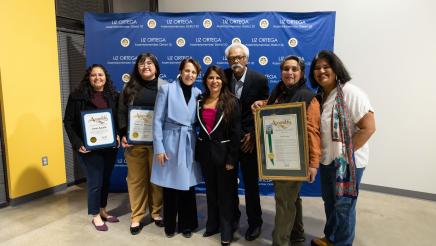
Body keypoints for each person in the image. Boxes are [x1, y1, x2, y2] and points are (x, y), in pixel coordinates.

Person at [251, 56, 321, 246]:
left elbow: (313, 132)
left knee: (284, 203)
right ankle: (297, 234)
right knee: (292, 199)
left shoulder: (308, 97)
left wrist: (314, 163)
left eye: (294, 69)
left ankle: (280, 242)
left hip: (295, 158)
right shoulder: (279, 92)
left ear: (301, 72)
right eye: (286, 69)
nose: (290, 72)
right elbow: (275, 113)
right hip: (278, 156)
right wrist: (262, 104)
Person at [309, 50, 376, 246]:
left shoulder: (350, 93)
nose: (321, 71)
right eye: (317, 68)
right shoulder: (321, 97)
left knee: (344, 207)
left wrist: (345, 155)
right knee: (330, 203)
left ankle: (343, 243)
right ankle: (330, 238)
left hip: (347, 163)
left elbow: (368, 127)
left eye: (325, 67)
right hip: (327, 160)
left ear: (336, 69)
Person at [63, 64, 120, 231]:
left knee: (105, 180)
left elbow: (117, 119)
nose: (97, 78)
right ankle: (95, 215)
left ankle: (103, 210)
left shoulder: (113, 96)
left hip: (109, 147)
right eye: (94, 75)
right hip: (88, 148)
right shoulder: (77, 96)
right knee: (95, 181)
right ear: (88, 77)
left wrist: (117, 134)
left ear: (105, 77)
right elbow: (68, 122)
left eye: (100, 75)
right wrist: (78, 143)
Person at [151, 58, 202, 239]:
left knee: (187, 186)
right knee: (170, 186)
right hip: (170, 141)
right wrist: (159, 148)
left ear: (197, 75)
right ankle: (170, 224)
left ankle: (187, 225)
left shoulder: (198, 93)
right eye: (187, 71)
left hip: (188, 142)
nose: (190, 75)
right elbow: (157, 120)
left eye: (194, 72)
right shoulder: (166, 89)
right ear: (180, 71)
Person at [224, 43, 269, 241]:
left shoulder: (259, 80)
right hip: (229, 142)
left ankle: (255, 223)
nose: (236, 61)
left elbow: (265, 111)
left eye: (239, 57)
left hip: (250, 142)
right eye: (232, 58)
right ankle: (233, 219)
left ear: (247, 59)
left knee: (251, 186)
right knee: (229, 185)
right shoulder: (223, 77)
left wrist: (253, 134)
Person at [117, 53, 167, 235]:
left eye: (149, 63)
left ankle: (156, 213)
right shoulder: (128, 87)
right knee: (136, 180)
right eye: (141, 63)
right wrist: (123, 133)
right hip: (134, 143)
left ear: (156, 66)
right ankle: (136, 216)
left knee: (157, 181)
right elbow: (121, 111)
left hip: (158, 143)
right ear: (137, 67)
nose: (145, 66)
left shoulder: (166, 87)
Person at [196, 65, 241, 246]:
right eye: (210, 78)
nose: (214, 81)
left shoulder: (232, 102)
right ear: (206, 80)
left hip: (225, 158)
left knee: (226, 195)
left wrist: (232, 159)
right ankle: (212, 225)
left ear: (223, 81)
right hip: (206, 156)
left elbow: (236, 134)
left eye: (218, 78)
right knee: (211, 192)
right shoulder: (200, 101)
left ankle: (226, 230)